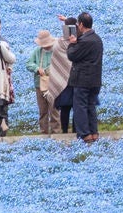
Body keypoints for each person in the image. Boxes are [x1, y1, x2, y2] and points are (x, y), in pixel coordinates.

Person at [60, 12, 103, 142]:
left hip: (82, 79)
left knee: (80, 106)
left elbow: (72, 55)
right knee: (91, 105)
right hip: (95, 79)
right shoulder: (97, 39)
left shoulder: (84, 41)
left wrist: (72, 43)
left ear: (82, 25)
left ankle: (84, 134)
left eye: (78, 24)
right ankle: (94, 132)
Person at [26, 28, 69, 133]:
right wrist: (37, 68)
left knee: (54, 110)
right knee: (43, 111)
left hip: (54, 85)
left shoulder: (57, 50)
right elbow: (28, 64)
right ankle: (43, 133)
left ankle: (56, 132)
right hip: (40, 85)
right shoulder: (37, 51)